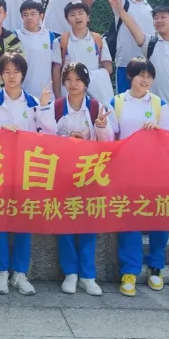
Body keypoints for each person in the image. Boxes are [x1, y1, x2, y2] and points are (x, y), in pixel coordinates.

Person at [0, 52, 54, 296]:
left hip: (26, 170)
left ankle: (19, 272)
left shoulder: (33, 102)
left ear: (23, 74)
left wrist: (44, 106)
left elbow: (49, 133)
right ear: (1, 75)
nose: (11, 76)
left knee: (24, 222)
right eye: (7, 71)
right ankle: (1, 272)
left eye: (16, 71)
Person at [110, 56, 169, 297]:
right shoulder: (117, 102)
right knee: (130, 221)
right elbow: (110, 137)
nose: (145, 80)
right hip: (126, 172)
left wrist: (158, 131)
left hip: (155, 171)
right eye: (140, 75)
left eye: (149, 76)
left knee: (159, 219)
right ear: (130, 76)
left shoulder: (160, 105)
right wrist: (100, 125)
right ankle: (129, 270)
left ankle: (156, 266)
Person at [52, 62, 114, 297]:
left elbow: (108, 142)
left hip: (90, 174)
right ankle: (70, 273)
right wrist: (68, 141)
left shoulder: (97, 107)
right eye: (68, 79)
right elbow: (45, 137)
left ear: (86, 83)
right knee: (65, 223)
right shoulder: (56, 106)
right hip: (63, 174)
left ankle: (88, 275)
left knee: (88, 224)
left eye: (78, 79)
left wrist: (101, 127)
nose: (73, 84)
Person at [107, 0, 169, 110]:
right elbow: (131, 25)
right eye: (156, 18)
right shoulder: (150, 43)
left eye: (163, 17)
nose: (159, 20)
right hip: (155, 109)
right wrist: (119, 9)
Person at [104, 0, 154, 93]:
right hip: (126, 63)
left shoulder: (150, 9)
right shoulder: (123, 4)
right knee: (124, 100)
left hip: (148, 64)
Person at [61, 2, 114, 105]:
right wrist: (58, 95)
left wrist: (88, 78)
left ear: (88, 17)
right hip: (70, 90)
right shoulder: (61, 41)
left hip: (95, 94)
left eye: (80, 13)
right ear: (67, 20)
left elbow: (108, 68)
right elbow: (56, 70)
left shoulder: (98, 39)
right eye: (72, 15)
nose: (77, 17)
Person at [16, 0, 62, 99]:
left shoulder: (50, 36)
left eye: (33, 14)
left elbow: (55, 67)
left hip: (47, 94)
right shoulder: (16, 36)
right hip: (23, 93)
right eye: (25, 14)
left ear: (41, 16)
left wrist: (57, 94)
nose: (29, 17)